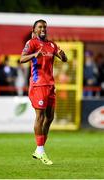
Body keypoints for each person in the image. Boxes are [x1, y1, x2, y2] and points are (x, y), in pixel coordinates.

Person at [20, 19, 67, 165]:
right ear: (34, 29)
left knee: (50, 117)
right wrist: (34, 55)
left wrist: (63, 55)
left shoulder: (51, 44)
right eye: (40, 27)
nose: (43, 29)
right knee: (40, 116)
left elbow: (64, 59)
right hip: (38, 84)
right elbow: (22, 59)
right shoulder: (31, 43)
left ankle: (39, 149)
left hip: (50, 85)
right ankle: (40, 150)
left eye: (45, 27)